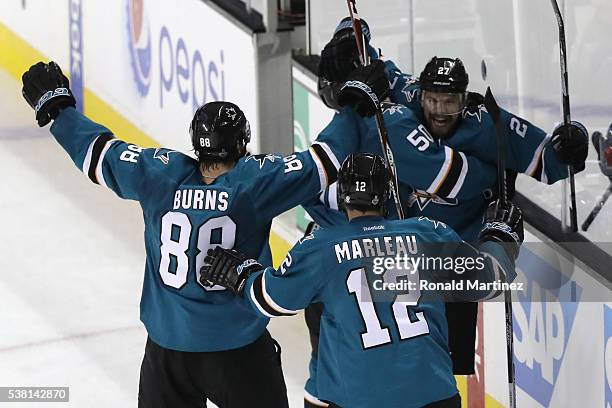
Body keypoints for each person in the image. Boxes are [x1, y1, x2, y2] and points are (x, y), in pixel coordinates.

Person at [21, 61, 361, 408]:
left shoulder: (159, 174)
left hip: (168, 354)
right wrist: (355, 104)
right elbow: (325, 159)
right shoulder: (254, 184)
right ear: (242, 143)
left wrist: (60, 111)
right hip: (238, 351)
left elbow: (100, 153)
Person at [315, 19, 589, 383]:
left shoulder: (489, 124)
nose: (440, 110)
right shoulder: (406, 97)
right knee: (392, 356)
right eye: (432, 99)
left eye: (449, 101)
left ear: (464, 99)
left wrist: (572, 141)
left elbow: (549, 162)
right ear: (421, 95)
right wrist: (351, 38)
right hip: (401, 257)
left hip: (453, 265)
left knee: (446, 374)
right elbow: (375, 63)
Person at [200, 153, 524, 408]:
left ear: (341, 197)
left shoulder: (321, 246)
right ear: (386, 195)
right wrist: (499, 234)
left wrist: (242, 275)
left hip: (360, 398)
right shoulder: (428, 233)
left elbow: (271, 299)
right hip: (434, 394)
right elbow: (489, 278)